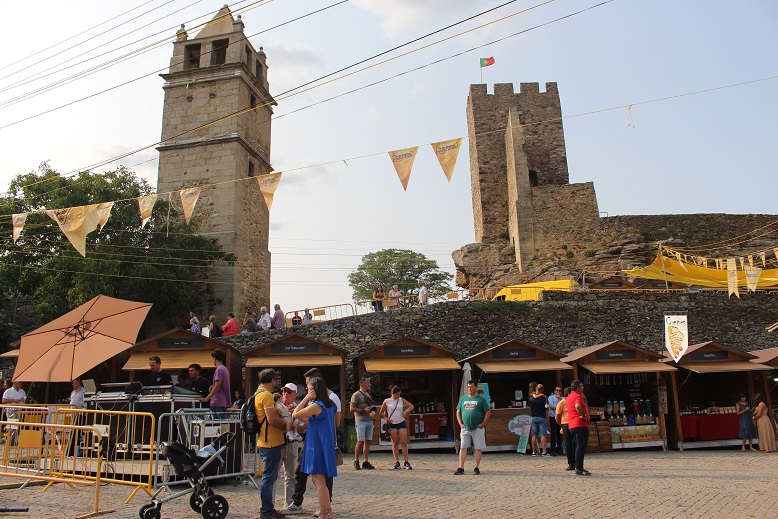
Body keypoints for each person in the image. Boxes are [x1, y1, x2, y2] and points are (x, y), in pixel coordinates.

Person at [283, 368, 341, 516]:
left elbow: (296, 414)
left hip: (317, 446)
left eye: (309, 389)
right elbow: (310, 419)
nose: (307, 391)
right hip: (324, 444)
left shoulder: (317, 405)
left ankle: (324, 512)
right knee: (321, 482)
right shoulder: (329, 405)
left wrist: (305, 399)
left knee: (318, 481)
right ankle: (327, 511)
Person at [254, 369, 286, 519]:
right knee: (269, 478)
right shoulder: (266, 395)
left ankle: (268, 509)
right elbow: (272, 420)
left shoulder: (257, 393)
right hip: (271, 442)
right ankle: (266, 511)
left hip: (264, 440)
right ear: (272, 380)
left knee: (269, 478)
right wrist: (288, 426)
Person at [277, 383, 305, 512]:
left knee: (290, 475)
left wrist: (294, 416)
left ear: (294, 394)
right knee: (273, 475)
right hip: (277, 442)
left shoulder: (298, 408)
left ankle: (289, 502)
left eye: (288, 391)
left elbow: (303, 428)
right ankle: (269, 504)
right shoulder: (276, 404)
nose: (285, 394)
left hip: (291, 444)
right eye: (284, 391)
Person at [454, 379, 491, 475]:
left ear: (476, 388)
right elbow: (458, 411)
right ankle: (460, 467)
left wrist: (483, 424)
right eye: (468, 387)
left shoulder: (481, 399)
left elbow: (488, 412)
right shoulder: (463, 399)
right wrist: (460, 423)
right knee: (463, 447)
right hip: (465, 428)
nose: (469, 389)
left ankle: (476, 467)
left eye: (471, 387)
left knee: (478, 448)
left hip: (477, 428)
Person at [379, 385, 414, 470]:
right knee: (394, 442)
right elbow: (381, 412)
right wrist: (386, 419)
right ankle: (397, 461)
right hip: (392, 423)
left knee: (404, 442)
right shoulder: (387, 401)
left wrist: (406, 411)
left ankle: (406, 461)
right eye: (397, 394)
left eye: (399, 394)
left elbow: (411, 406)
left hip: (401, 422)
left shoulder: (401, 400)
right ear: (393, 393)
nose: (398, 396)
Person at [349, 378, 375, 470]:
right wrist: (363, 410)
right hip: (360, 420)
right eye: (368, 383)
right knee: (360, 441)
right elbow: (351, 408)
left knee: (367, 441)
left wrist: (373, 412)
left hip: (369, 419)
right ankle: (356, 460)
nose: (370, 384)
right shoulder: (356, 395)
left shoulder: (368, 394)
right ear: (363, 384)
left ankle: (365, 461)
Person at [567, 380, 591, 475]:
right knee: (580, 446)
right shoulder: (578, 396)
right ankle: (579, 468)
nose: (583, 388)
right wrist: (584, 415)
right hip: (579, 424)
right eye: (581, 386)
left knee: (577, 446)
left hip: (572, 424)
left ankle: (578, 466)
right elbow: (577, 406)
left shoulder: (569, 397)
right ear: (577, 388)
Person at [199, 349, 230, 417]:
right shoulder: (225, 369)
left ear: (214, 358)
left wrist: (206, 398)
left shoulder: (218, 370)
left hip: (217, 401)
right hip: (224, 402)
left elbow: (217, 386)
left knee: (216, 425)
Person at [528, 383, 550, 456]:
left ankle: (534, 452)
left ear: (536, 389)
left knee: (534, 435)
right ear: (542, 390)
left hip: (533, 417)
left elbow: (530, 408)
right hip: (542, 417)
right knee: (543, 435)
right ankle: (544, 451)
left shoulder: (530, 398)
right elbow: (547, 406)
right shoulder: (544, 398)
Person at [555, 387, 574, 471]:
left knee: (576, 444)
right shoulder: (562, 403)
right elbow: (557, 416)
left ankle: (577, 462)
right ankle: (571, 463)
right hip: (566, 424)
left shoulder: (574, 401)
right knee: (568, 444)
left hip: (574, 424)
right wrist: (562, 424)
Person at [548, 386, 563, 455]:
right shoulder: (550, 397)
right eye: (557, 390)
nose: (558, 392)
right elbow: (553, 406)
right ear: (554, 391)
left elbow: (564, 406)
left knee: (560, 433)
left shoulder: (562, 398)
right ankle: (553, 450)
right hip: (553, 417)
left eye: (559, 390)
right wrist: (558, 405)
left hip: (560, 418)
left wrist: (559, 398)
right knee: (553, 433)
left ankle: (560, 449)